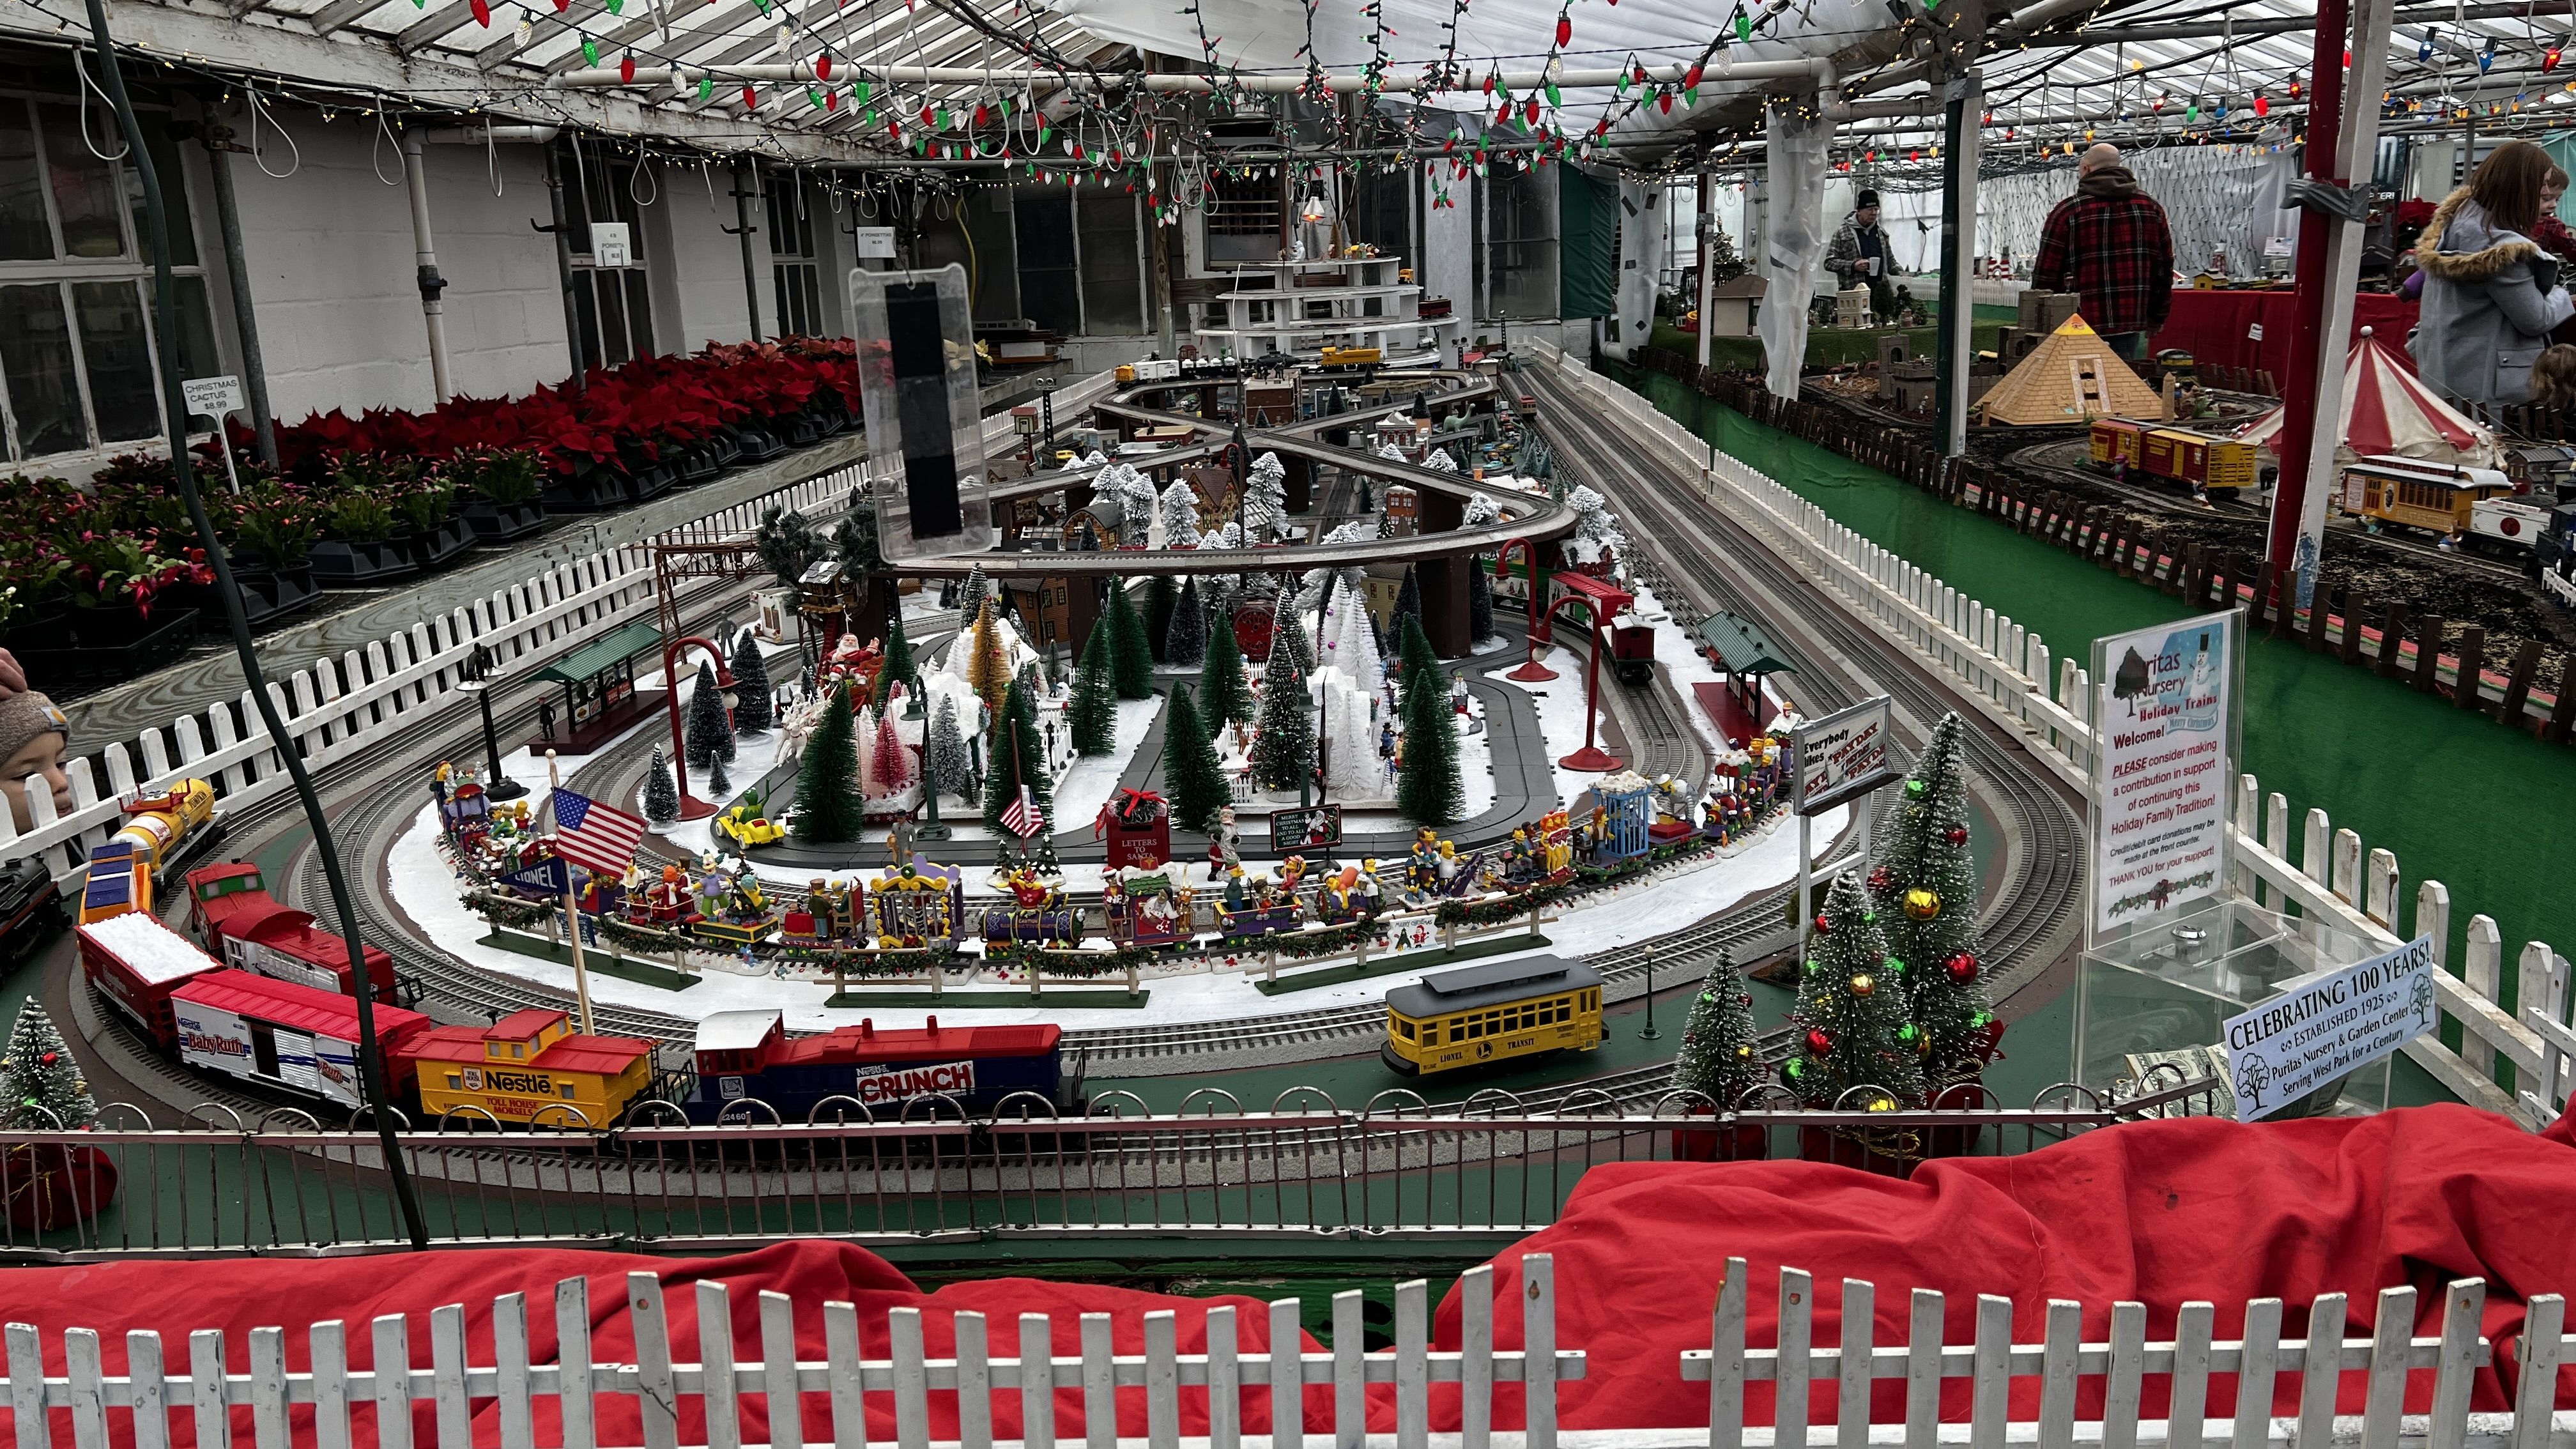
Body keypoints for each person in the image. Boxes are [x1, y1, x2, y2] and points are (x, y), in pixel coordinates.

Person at [2412, 139, 2576, 406]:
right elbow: (2535, 319)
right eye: (2542, 185)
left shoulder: (2460, 224)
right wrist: (2561, 295)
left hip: (2449, 370)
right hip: (2489, 389)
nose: (2547, 192)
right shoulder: (2501, 252)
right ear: (2521, 187)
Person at [2029, 144, 2175, 362]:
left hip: (2076, 323)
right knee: (2118, 388)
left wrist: (2038, 321)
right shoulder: (2151, 208)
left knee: (2077, 388)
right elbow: (2163, 269)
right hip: (2128, 321)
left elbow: (2046, 275)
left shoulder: (2067, 212)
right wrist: (2156, 316)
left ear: (2086, 169)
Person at [1825, 188, 1899, 322]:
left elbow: (1890, 260)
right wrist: (1853, 266)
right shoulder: (1842, 232)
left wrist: (1901, 272)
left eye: (1876, 209)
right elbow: (1829, 262)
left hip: (1879, 296)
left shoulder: (1881, 233)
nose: (1874, 213)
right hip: (1854, 295)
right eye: (1870, 209)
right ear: (1859, 211)